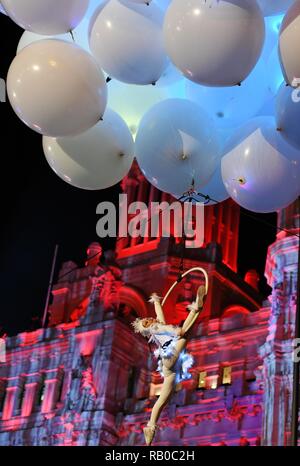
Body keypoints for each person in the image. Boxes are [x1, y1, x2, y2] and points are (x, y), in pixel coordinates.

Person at [132, 285, 207, 446]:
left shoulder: (156, 325)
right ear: (147, 327)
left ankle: (150, 427)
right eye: (145, 321)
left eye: (146, 319)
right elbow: (171, 329)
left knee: (162, 400)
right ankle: (195, 310)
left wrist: (157, 303)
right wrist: (175, 330)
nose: (148, 319)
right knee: (183, 336)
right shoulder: (155, 327)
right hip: (169, 357)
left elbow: (160, 317)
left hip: (170, 368)